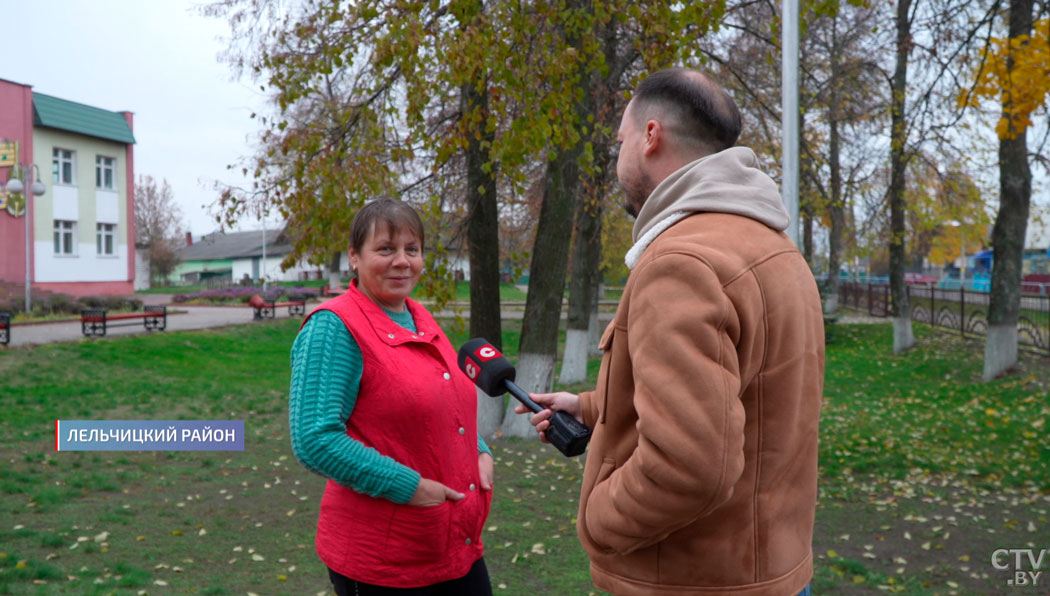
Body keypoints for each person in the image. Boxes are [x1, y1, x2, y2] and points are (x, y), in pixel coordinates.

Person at [518, 68, 824, 596]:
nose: (618, 160)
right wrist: (593, 407)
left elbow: (690, 466)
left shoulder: (681, 262)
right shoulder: (772, 247)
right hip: (771, 571)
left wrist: (598, 521)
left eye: (621, 141)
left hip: (692, 581)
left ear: (650, 137)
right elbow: (749, 401)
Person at [289, 198, 494, 596]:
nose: (402, 261)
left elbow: (443, 398)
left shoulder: (418, 316)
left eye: (412, 250)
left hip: (453, 545)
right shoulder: (333, 327)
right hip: (384, 561)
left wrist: (479, 449)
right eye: (386, 249)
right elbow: (315, 440)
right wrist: (411, 487)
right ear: (354, 256)